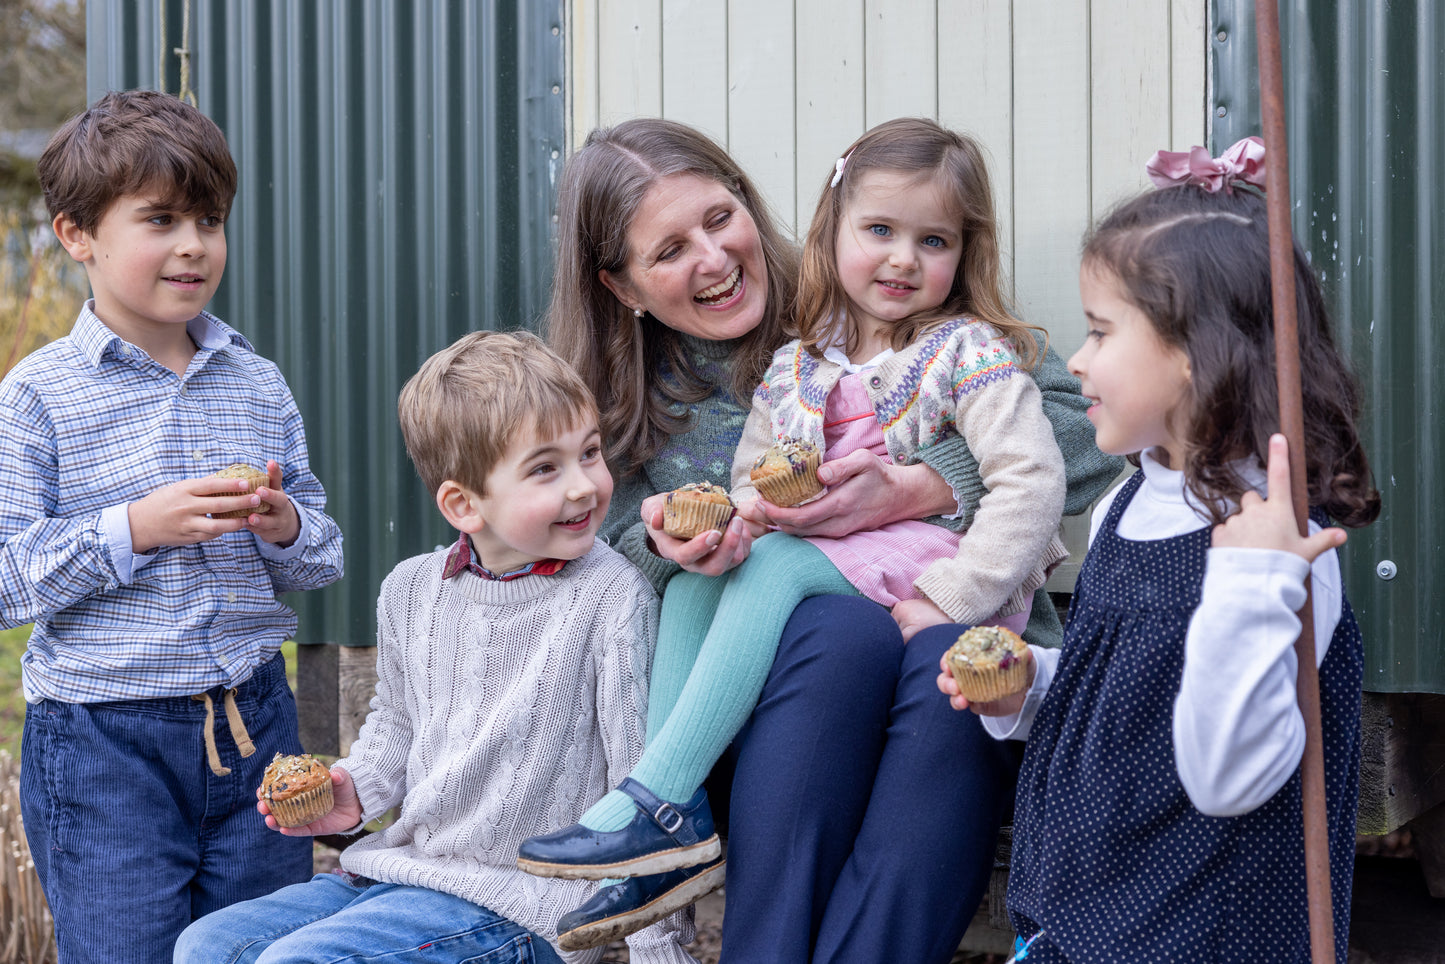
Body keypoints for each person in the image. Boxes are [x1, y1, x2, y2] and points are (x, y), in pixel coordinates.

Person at [538, 116, 1123, 962]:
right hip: (773, 681)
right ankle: (675, 821)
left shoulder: (876, 299)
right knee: (830, 630)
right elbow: (611, 536)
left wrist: (923, 484)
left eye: (719, 219)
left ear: (748, 202)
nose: (712, 258)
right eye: (668, 251)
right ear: (620, 285)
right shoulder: (625, 400)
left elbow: (1076, 424)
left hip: (935, 611)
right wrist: (668, 546)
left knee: (936, 661)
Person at [941, 143, 1380, 962]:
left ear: (1194, 354)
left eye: (1100, 331)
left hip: (1196, 936)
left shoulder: (1282, 547)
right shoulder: (1128, 501)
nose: (1076, 360)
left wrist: (1253, 583)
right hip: (1079, 918)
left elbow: (1227, 778)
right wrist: (1032, 686)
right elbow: (1123, 699)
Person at [174, 331, 701, 964]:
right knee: (207, 946)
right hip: (409, 873)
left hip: (528, 905)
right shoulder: (411, 591)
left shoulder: (612, 597)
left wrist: (658, 949)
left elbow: (642, 781)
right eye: (545, 468)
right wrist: (355, 792)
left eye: (589, 453)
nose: (584, 486)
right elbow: (398, 725)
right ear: (462, 504)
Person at [1, 89, 344, 964]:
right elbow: (6, 581)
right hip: (105, 747)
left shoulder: (256, 383)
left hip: (256, 726)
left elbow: (322, 557)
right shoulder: (37, 397)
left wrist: (282, 525)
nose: (194, 244)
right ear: (77, 234)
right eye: (160, 220)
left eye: (210, 220)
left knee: (261, 949)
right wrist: (134, 529)